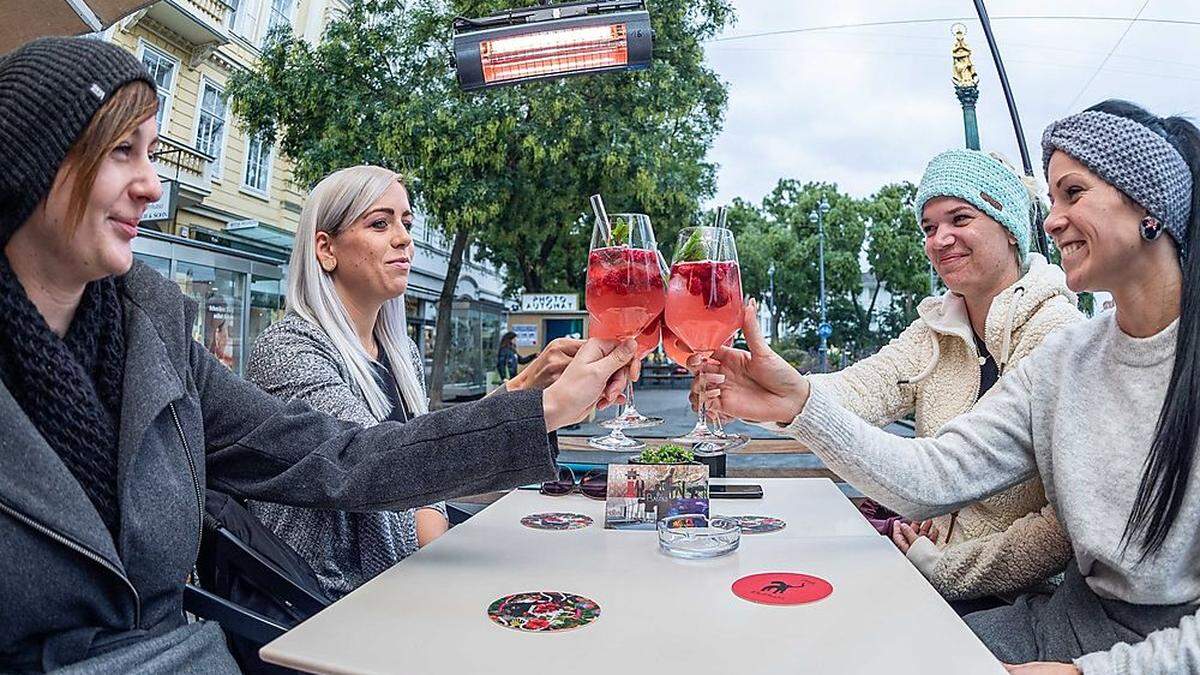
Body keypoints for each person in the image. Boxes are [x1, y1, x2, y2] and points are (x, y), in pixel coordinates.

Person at [0, 37, 633, 672]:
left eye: (153, 155)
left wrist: (536, 405)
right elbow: (367, 492)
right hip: (330, 623)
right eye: (121, 152)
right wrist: (533, 412)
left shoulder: (155, 343)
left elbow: (346, 458)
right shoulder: (285, 351)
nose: (152, 186)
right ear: (35, 161)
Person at [699, 99, 1200, 674]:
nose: (1052, 218)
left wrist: (1088, 670)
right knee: (835, 650)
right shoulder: (1064, 360)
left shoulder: (1058, 335)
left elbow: (1055, 538)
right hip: (1057, 619)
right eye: (1052, 199)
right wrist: (799, 403)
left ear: (1150, 206)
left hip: (1128, 644)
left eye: (1073, 193)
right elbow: (936, 473)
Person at [244, 166, 582, 599]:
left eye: (406, 223)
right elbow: (380, 466)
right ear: (325, 249)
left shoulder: (398, 351)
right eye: (379, 223)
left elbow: (422, 454)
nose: (404, 238)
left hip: (400, 579)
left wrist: (527, 385)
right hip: (329, 603)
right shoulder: (289, 350)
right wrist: (545, 407)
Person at [805, 149, 1082, 604]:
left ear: (1011, 229)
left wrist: (940, 566)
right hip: (923, 571)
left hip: (1015, 599)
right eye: (929, 227)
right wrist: (768, 389)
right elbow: (862, 387)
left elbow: (1062, 526)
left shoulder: (1057, 336)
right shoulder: (935, 329)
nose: (940, 239)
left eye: (959, 218)